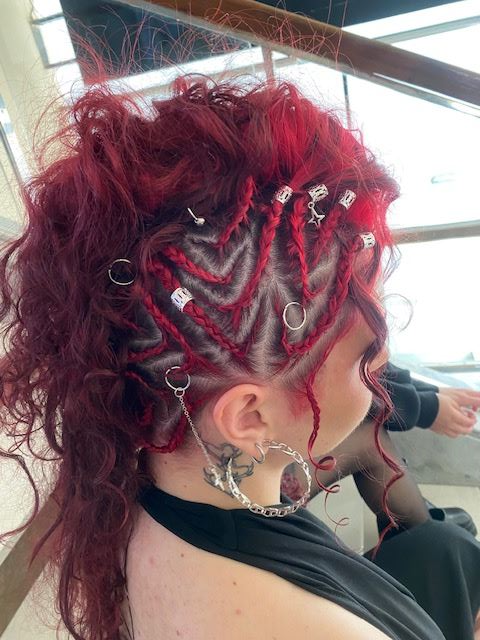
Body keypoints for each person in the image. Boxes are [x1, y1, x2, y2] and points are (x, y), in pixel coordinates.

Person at [1, 76, 479, 640]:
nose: (383, 369)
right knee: (449, 547)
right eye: (365, 357)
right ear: (249, 416)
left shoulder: (138, 474)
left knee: (440, 542)